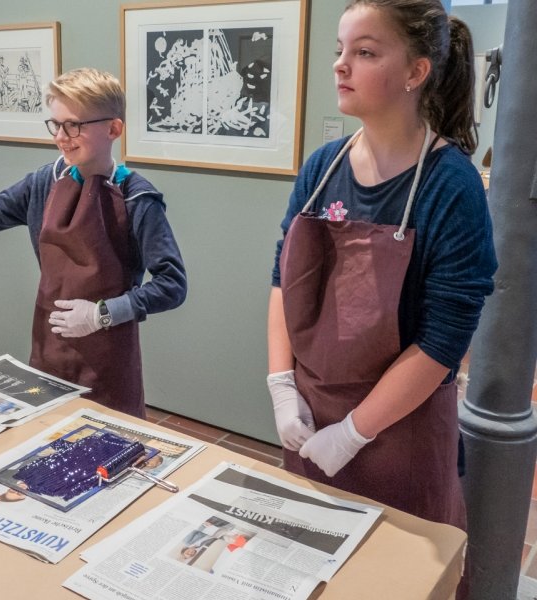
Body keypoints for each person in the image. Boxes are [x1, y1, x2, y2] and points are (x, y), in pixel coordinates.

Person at [267, 0, 496, 550]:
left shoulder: (451, 186)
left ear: (416, 71)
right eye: (340, 50)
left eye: (365, 52)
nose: (340, 64)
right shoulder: (322, 168)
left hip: (399, 431)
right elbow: (282, 278)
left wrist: (353, 433)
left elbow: (443, 340)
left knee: (394, 570)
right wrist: (281, 386)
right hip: (311, 415)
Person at [0, 68, 187, 418]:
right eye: (56, 125)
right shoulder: (44, 182)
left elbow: (172, 284)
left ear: (113, 129)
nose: (61, 137)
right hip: (49, 343)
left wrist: (102, 314)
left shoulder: (137, 197)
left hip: (108, 353)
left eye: (74, 126)